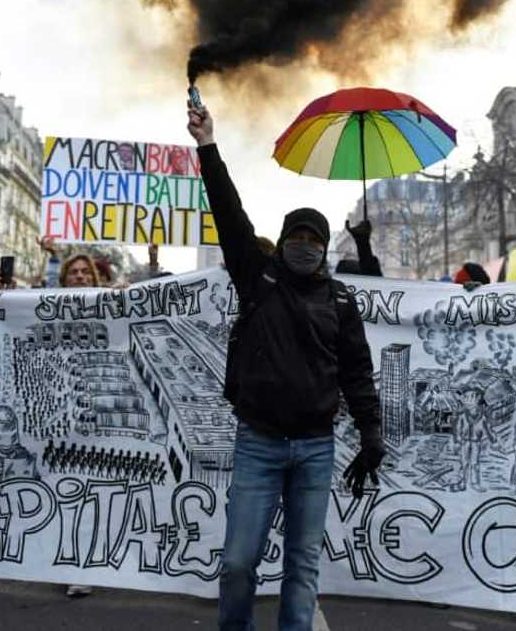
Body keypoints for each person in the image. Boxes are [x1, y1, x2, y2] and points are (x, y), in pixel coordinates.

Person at [187, 101, 383, 631]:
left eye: (313, 241)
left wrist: (371, 435)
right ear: (283, 243)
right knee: (237, 563)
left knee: (302, 565)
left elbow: (357, 374)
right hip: (260, 443)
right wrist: (208, 145)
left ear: (323, 250)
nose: (303, 248)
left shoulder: (341, 300)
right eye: (295, 239)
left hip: (316, 448)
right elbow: (229, 214)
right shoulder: (258, 279)